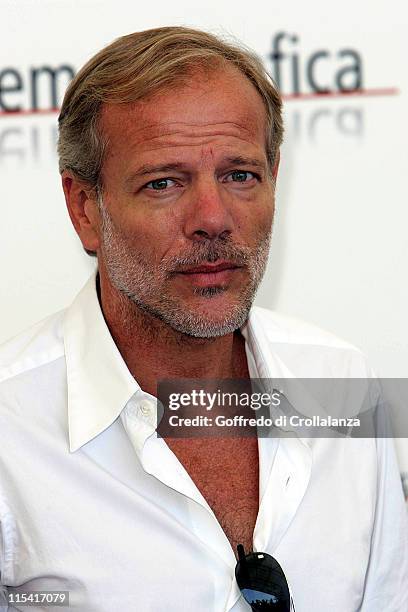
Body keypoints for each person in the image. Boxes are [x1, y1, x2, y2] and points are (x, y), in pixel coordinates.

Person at [0, 26, 406, 612]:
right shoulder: (12, 431)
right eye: (164, 183)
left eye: (240, 175)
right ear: (84, 208)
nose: (213, 219)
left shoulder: (341, 382)